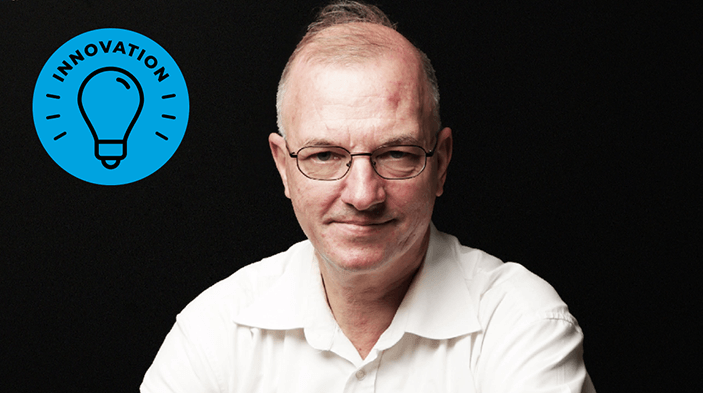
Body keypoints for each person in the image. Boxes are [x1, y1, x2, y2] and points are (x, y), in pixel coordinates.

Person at [141, 1, 595, 392]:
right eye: (324, 155)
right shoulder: (216, 329)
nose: (362, 195)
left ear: (441, 162)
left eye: (396, 153)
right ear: (283, 167)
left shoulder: (522, 324)